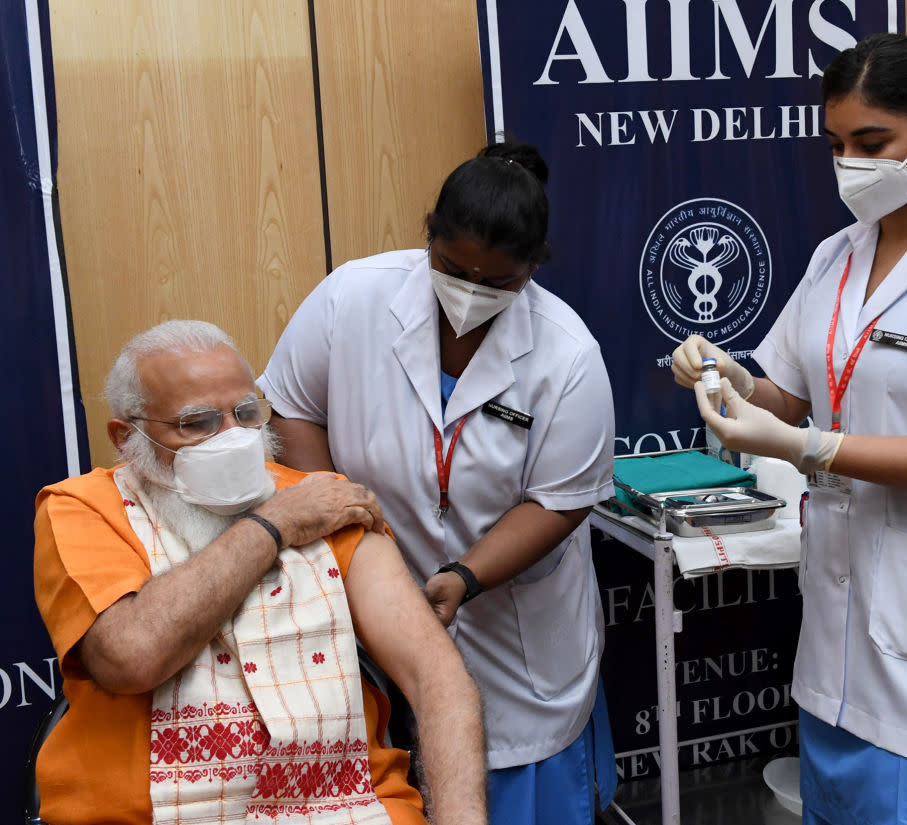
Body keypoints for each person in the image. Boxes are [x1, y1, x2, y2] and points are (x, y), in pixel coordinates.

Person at [673, 32, 907, 825]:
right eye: (836, 145)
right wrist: (724, 374)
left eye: (872, 144)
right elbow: (789, 394)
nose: (849, 165)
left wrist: (809, 449)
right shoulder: (837, 255)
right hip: (839, 625)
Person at [257, 140, 617, 825]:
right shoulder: (352, 298)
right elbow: (294, 408)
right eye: (453, 269)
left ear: (532, 269)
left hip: (514, 638)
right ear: (428, 235)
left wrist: (464, 577)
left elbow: (558, 502)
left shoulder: (567, 354)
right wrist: (342, 527)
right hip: (373, 609)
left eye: (498, 282)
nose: (472, 292)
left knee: (510, 786)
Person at [33, 320, 487, 825]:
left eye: (247, 414)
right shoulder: (83, 509)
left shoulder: (325, 499)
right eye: (198, 423)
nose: (235, 438)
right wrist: (273, 523)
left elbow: (436, 676)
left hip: (347, 805)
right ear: (126, 436)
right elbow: (131, 656)